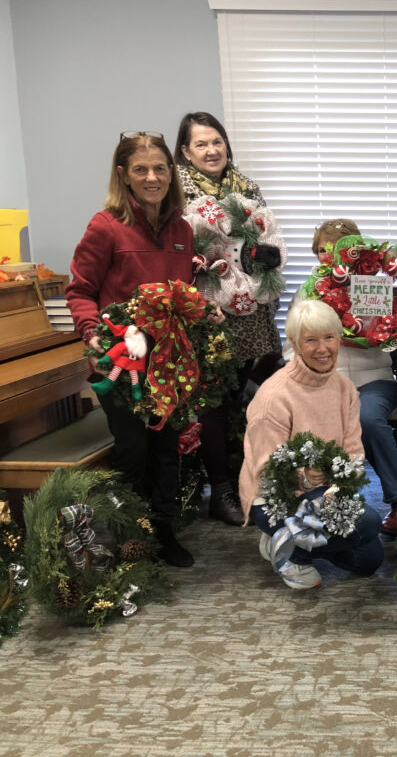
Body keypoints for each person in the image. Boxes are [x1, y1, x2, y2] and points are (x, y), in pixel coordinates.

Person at [66, 131, 199, 567]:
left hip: (169, 364)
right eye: (141, 169)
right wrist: (92, 335)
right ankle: (129, 538)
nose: (152, 176)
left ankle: (163, 533)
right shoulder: (105, 226)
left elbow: (182, 294)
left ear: (171, 173)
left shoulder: (182, 229)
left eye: (160, 168)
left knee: (166, 451)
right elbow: (80, 290)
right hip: (122, 366)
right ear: (123, 175)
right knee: (133, 451)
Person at [174, 111, 283, 527]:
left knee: (242, 394)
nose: (211, 150)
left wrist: (262, 259)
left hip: (250, 311)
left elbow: (265, 235)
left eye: (216, 141)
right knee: (212, 401)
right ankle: (219, 489)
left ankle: (246, 478)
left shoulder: (247, 187)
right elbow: (178, 252)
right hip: (206, 311)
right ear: (185, 151)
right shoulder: (177, 195)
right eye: (200, 144)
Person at [239, 300, 384, 590]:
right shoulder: (274, 397)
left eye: (329, 337)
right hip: (275, 500)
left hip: (325, 494)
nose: (323, 349)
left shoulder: (344, 390)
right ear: (294, 342)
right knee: (368, 522)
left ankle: (289, 544)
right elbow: (266, 471)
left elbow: (354, 454)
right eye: (311, 340)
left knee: (370, 559)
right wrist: (304, 477)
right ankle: (289, 545)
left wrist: (336, 487)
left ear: (339, 338)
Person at [294, 219, 397, 537]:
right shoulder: (308, 292)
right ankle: (323, 504)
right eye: (320, 250)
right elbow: (293, 342)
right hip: (324, 382)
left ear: (355, 253)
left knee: (368, 419)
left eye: (335, 250)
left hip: (373, 377)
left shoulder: (375, 286)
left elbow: (389, 337)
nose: (326, 258)